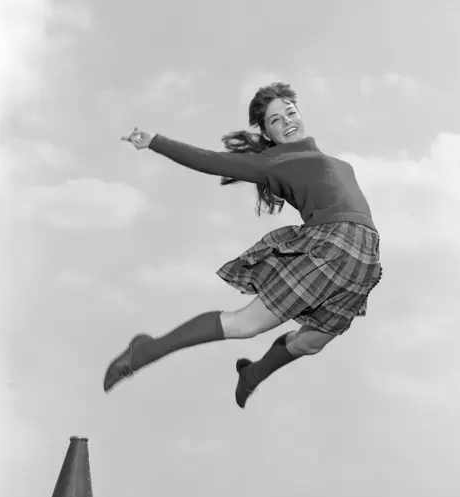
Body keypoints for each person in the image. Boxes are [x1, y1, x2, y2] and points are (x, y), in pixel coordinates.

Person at [104, 81, 383, 408]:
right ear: (268, 134)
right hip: (333, 245)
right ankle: (147, 349)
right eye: (275, 121)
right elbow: (211, 161)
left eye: (290, 112)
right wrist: (155, 142)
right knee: (245, 324)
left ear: (301, 113)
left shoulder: (342, 164)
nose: (286, 121)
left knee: (312, 342)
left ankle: (252, 374)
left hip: (365, 259)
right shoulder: (274, 162)